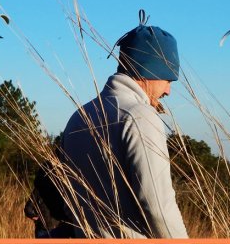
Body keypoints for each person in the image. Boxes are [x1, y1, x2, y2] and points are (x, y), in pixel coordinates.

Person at [59, 16, 188, 238]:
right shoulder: (140, 117)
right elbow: (158, 209)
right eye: (168, 79)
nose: (168, 91)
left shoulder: (80, 115)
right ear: (151, 70)